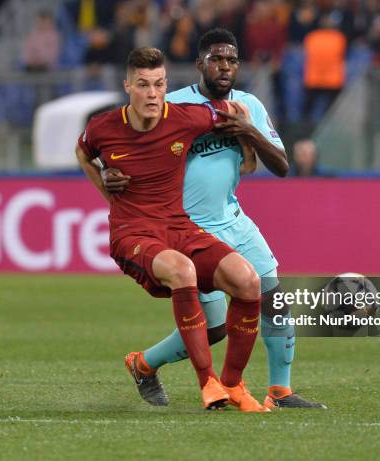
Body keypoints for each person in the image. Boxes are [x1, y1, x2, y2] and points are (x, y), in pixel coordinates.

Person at [104, 29, 327, 410]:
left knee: (273, 298)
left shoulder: (248, 106)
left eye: (231, 60)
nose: (224, 67)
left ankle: (280, 390)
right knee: (217, 328)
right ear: (200, 64)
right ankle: (143, 364)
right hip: (186, 228)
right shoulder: (171, 105)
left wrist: (248, 130)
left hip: (233, 220)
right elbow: (129, 147)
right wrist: (111, 172)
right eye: (216, 59)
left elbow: (281, 166)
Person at [75, 46, 268, 412]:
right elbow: (83, 152)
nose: (152, 94)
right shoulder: (103, 127)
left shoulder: (186, 118)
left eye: (159, 84)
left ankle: (234, 384)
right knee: (183, 270)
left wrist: (248, 150)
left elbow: (236, 113)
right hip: (133, 234)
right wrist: (105, 184)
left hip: (178, 226)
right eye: (144, 85)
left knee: (249, 281)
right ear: (128, 86)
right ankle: (208, 383)